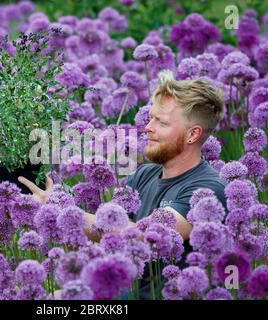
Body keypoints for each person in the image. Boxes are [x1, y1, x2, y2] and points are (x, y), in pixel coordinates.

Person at [18, 75, 228, 299]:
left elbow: (145, 236)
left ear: (193, 134)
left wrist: (63, 212)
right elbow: (109, 235)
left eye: (162, 122)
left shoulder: (207, 190)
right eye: (150, 119)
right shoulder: (142, 175)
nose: (148, 127)